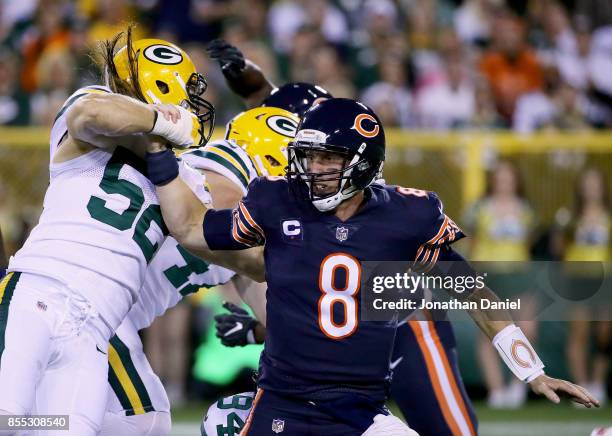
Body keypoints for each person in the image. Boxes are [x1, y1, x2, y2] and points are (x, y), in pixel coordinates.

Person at [144, 98, 599, 435]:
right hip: (285, 402)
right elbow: (190, 228)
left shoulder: (406, 217)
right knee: (220, 422)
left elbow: (472, 293)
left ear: (363, 164)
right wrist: (159, 156)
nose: (313, 169)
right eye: (309, 157)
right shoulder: (276, 200)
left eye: (328, 159)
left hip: (363, 412)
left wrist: (532, 370)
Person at [208, 39, 478, 436]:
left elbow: (343, 298)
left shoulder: (348, 185)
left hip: (403, 325)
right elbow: (319, 306)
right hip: (342, 354)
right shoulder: (289, 187)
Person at [0, 28, 225, 435]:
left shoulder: (186, 178)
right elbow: (91, 115)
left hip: (94, 332)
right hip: (35, 296)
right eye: (186, 93)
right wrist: (164, 122)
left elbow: (200, 231)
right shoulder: (86, 123)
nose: (193, 105)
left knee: (49, 427)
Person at [100, 105, 298, 435]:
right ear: (274, 158)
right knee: (144, 421)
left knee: (56, 416)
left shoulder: (245, 208)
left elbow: (278, 312)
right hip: (93, 307)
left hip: (107, 317)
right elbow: (224, 218)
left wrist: (263, 332)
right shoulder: (218, 175)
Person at [463, 161, 538, 408]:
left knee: (527, 328)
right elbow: (470, 242)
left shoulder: (526, 209)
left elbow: (528, 242)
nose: (505, 182)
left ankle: (518, 385)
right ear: (492, 180)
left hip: (518, 274)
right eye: (500, 177)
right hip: (489, 275)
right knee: (488, 334)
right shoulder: (479, 208)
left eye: (509, 177)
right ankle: (496, 390)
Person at [560, 168, 611, 406]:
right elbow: (559, 249)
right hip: (578, 279)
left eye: (595, 183)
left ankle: (598, 383)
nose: (591, 188)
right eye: (587, 183)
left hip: (605, 279)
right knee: (579, 333)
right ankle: (580, 388)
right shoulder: (570, 217)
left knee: (604, 335)